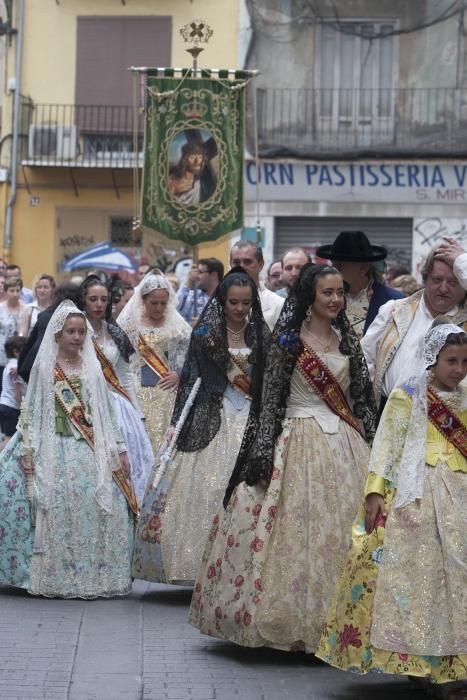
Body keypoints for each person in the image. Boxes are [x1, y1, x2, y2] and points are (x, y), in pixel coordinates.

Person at [189, 264, 377, 652]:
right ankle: (286, 624)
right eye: (328, 293)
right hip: (294, 441)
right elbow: (269, 402)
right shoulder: (287, 342)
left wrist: (373, 444)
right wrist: (261, 454)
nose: (335, 299)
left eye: (340, 292)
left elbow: (361, 397)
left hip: (344, 445)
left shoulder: (348, 340)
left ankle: (343, 628)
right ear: (311, 296)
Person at [316, 322, 467, 694]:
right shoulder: (409, 394)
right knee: (419, 581)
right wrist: (375, 493)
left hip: (459, 491)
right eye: (452, 361)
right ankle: (417, 661)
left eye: (465, 362)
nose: (459, 369)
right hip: (417, 495)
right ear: (433, 359)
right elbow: (386, 445)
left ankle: (454, 662)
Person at [132, 268, 270, 585]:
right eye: (233, 302)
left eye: (245, 303)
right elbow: (191, 381)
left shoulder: (261, 335)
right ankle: (195, 565)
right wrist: (177, 425)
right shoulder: (205, 334)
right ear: (222, 302)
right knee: (207, 486)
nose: (239, 309)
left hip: (249, 417)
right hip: (213, 416)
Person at [0, 301, 137, 599]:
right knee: (56, 504)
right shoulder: (45, 368)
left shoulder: (92, 368)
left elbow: (106, 413)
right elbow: (31, 410)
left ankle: (92, 569)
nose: (76, 337)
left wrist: (120, 448)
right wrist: (27, 449)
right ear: (57, 335)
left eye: (80, 332)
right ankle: (53, 571)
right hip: (53, 444)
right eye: (70, 332)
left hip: (89, 446)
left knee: (96, 504)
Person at [362, 237, 467, 412]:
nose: (443, 288)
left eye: (452, 282)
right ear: (425, 279)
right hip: (387, 417)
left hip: (448, 426)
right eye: (437, 280)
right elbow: (364, 361)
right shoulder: (394, 311)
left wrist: (462, 261)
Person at [79, 276, 155, 505]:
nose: (99, 304)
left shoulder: (115, 332)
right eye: (93, 299)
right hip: (83, 404)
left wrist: (137, 412)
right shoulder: (74, 329)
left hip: (117, 404)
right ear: (84, 300)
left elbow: (126, 376)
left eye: (104, 299)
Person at [117, 270, 191, 455]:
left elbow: (191, 356)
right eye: (153, 303)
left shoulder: (177, 324)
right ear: (143, 300)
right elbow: (119, 359)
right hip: (137, 392)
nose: (158, 307)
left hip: (167, 393)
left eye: (163, 303)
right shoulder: (129, 324)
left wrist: (179, 374)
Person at [316, 231, 405, 339]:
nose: (334, 272)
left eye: (340, 266)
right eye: (333, 265)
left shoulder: (396, 302)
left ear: (363, 268)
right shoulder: (320, 299)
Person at [17, 282, 80, 384]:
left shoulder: (44, 315)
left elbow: (30, 343)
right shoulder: (75, 318)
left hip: (36, 365)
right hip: (57, 368)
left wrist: (22, 365)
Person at [230, 241, 284, 331]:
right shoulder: (218, 302)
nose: (241, 266)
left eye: (247, 262)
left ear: (260, 265)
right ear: (230, 264)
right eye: (236, 262)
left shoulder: (278, 304)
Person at [168, 136, 217, 205]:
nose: (197, 161)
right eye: (192, 157)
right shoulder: (172, 182)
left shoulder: (202, 183)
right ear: (184, 159)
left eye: (200, 157)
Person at [0, 278, 29, 390]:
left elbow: (24, 331)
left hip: (18, 352)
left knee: (16, 386)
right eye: (12, 291)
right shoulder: (1, 308)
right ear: (6, 291)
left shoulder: (25, 308)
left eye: (18, 290)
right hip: (1, 352)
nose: (15, 294)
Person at [176, 258, 224, 325]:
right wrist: (188, 282)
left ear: (214, 275)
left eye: (200, 272)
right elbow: (176, 310)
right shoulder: (193, 295)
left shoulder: (226, 298)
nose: (196, 276)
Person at [0, 335, 27, 447]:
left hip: (4, 404)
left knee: (7, 436)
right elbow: (17, 390)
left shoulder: (8, 366)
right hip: (12, 407)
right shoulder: (15, 368)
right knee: (9, 440)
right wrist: (22, 407)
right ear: (16, 351)